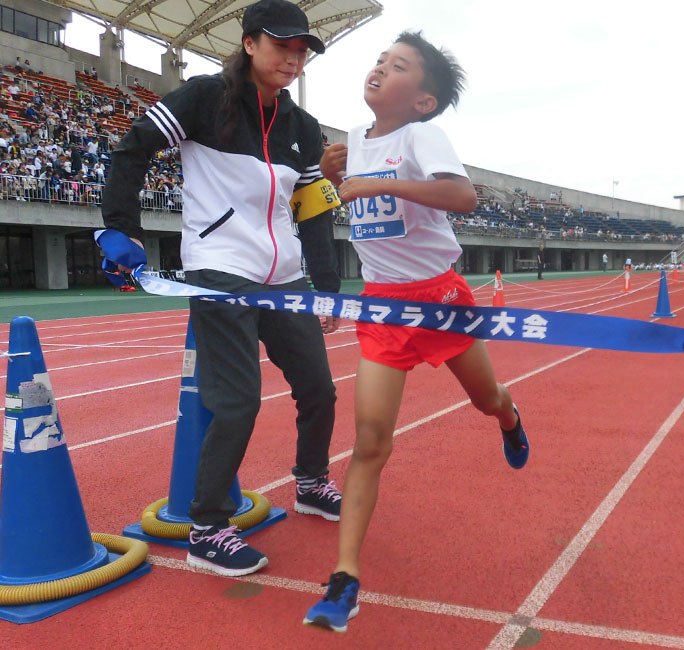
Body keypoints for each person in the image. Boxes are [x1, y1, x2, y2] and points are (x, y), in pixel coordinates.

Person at [101, 0, 345, 577]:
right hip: (219, 270)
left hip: (283, 277)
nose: (293, 59)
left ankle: (310, 482)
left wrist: (327, 285)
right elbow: (131, 150)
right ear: (250, 43)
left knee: (320, 388)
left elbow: (311, 210)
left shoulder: (304, 128)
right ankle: (208, 526)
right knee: (236, 401)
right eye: (282, 46)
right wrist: (119, 230)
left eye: (301, 50)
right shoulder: (204, 98)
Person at [304, 30, 530, 633]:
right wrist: (334, 168)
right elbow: (335, 198)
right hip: (383, 310)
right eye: (380, 59)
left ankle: (510, 417)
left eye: (398, 65)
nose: (380, 68)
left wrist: (376, 182)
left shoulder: (423, 135)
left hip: (440, 299)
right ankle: (345, 579)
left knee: (487, 400)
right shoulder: (350, 141)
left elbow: (462, 195)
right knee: (371, 441)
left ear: (423, 100)